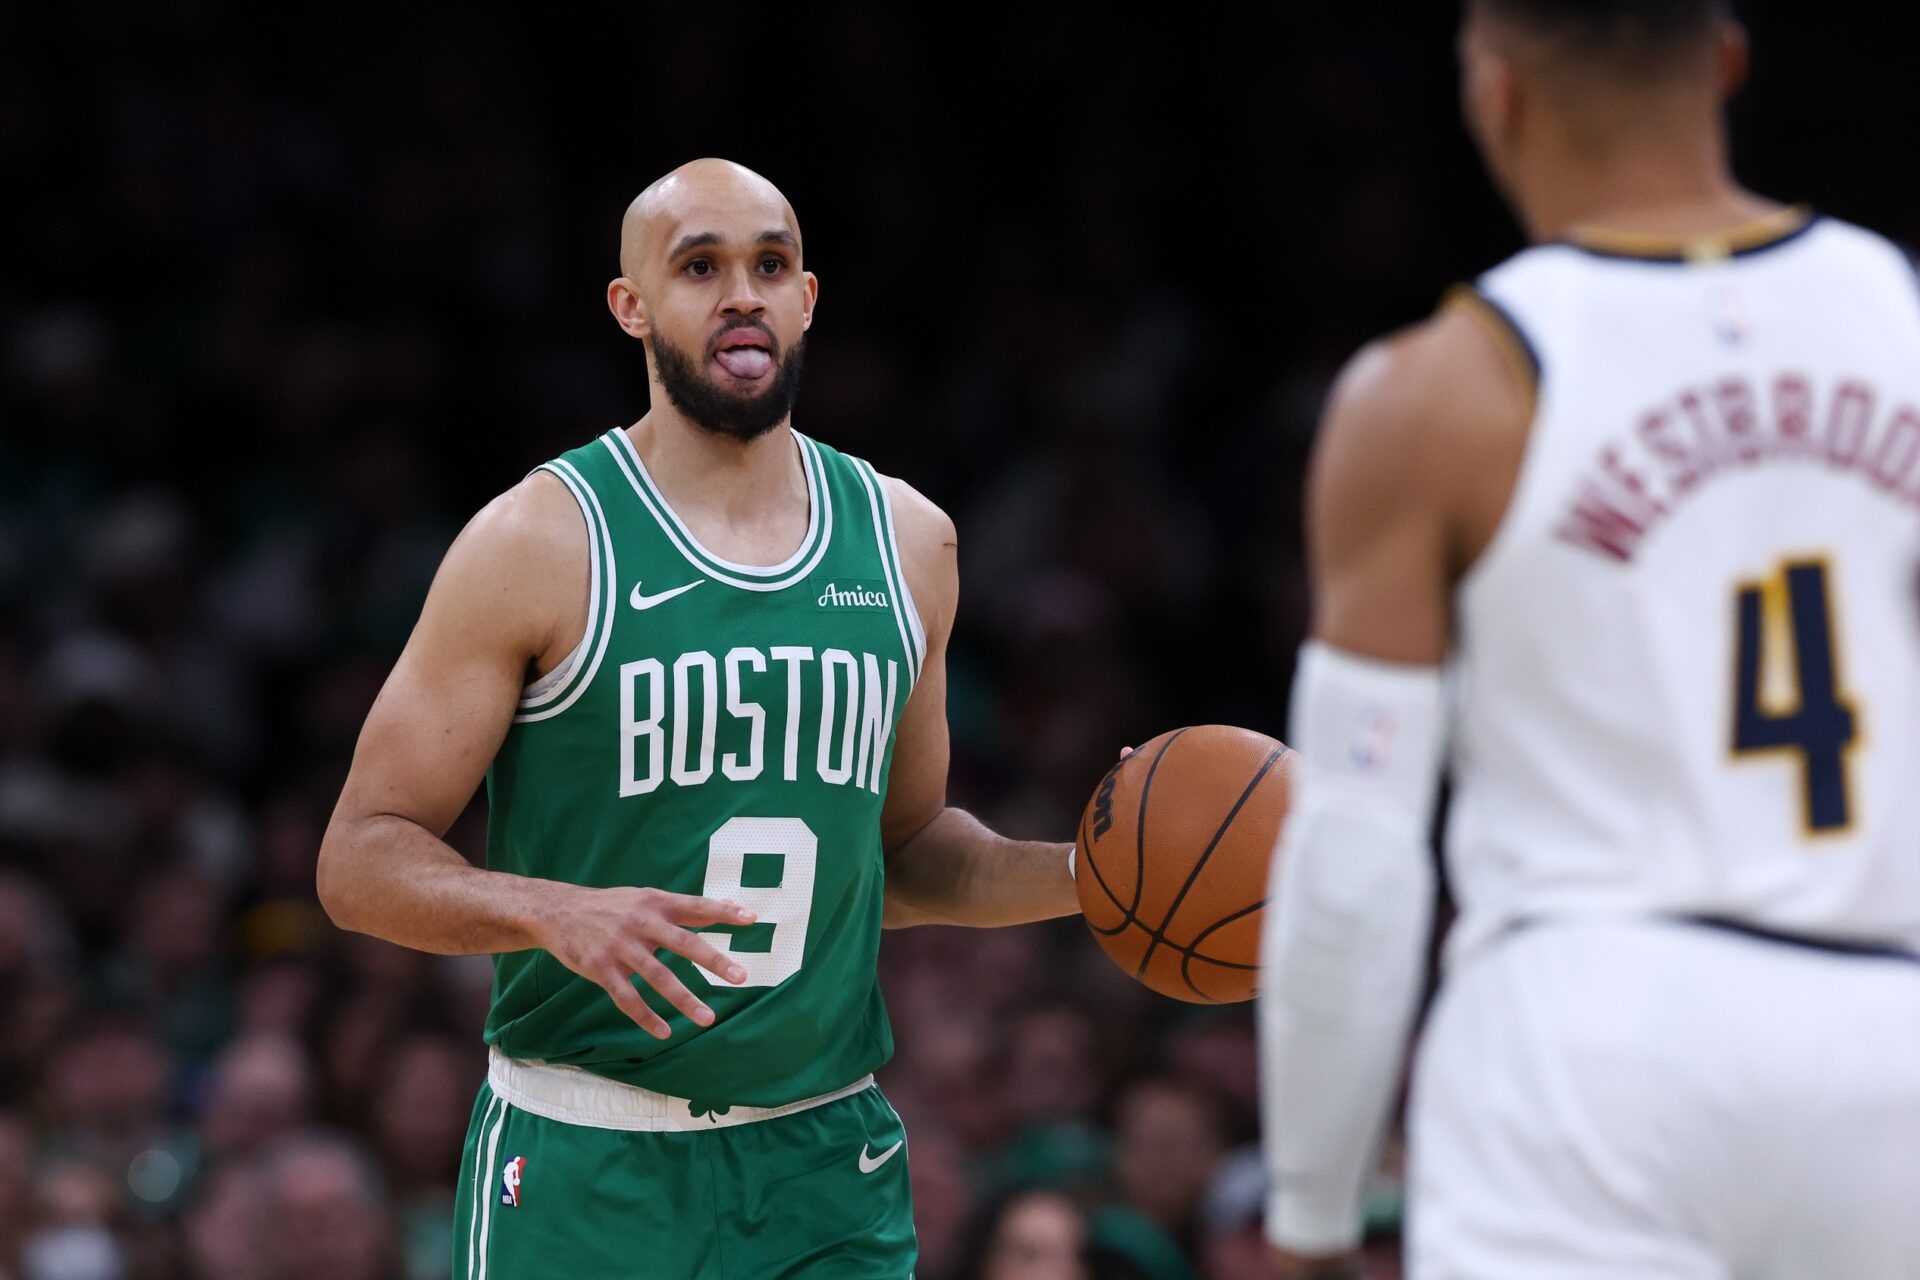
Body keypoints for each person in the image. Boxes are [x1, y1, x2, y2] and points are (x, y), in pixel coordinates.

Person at [316, 158, 1080, 1277]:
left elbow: (903, 856)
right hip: (587, 1163)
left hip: (827, 1166)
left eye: (770, 265)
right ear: (632, 306)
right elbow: (357, 858)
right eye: (701, 266)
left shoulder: (911, 543)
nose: (743, 293)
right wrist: (552, 911)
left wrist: (1090, 874)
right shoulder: (539, 541)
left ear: (807, 299)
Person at [1255, 2, 1920, 1277]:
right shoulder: (1893, 310)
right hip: (1883, 1023)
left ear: (1495, 90)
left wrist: (1313, 1210)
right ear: (1727, 56)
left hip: (1590, 1038)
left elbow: (1356, 850)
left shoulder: (1439, 390)